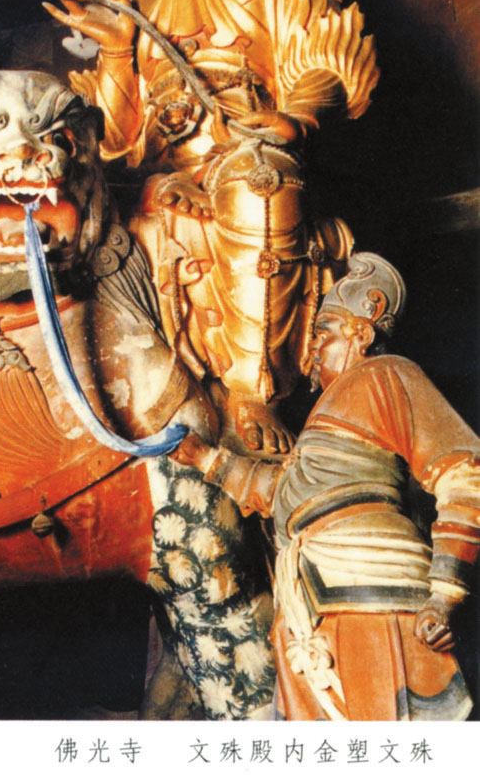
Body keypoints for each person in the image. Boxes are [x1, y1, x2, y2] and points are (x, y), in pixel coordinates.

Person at [45, 0, 379, 452]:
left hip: (248, 152)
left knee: (261, 180)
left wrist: (294, 117)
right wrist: (115, 51)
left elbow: (323, 54)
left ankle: (252, 391)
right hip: (161, 175)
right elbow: (116, 139)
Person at [173, 252, 480, 720]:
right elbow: (288, 492)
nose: (311, 349)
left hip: (371, 590)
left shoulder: (388, 375)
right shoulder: (324, 420)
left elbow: (464, 471)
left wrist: (444, 594)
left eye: (322, 332)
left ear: (362, 332)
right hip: (305, 606)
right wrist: (205, 459)